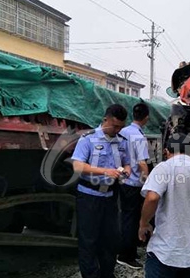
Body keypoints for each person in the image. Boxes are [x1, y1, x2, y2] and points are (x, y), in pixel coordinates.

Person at [138, 133, 190, 278]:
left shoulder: (165, 168)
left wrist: (143, 224)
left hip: (165, 253)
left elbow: (152, 198)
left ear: (167, 151)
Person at [72, 104, 131, 278]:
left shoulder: (121, 141)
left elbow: (127, 161)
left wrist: (126, 170)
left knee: (110, 240)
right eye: (115, 126)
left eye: (121, 127)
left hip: (111, 197)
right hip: (89, 196)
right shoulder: (87, 139)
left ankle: (107, 274)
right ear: (105, 120)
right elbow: (77, 166)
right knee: (89, 241)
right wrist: (105, 171)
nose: (118, 130)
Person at [117, 102, 150, 270]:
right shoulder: (138, 136)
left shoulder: (123, 131)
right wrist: (149, 180)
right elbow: (142, 163)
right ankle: (126, 255)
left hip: (123, 180)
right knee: (132, 219)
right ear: (146, 118)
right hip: (134, 183)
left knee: (125, 217)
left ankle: (128, 250)